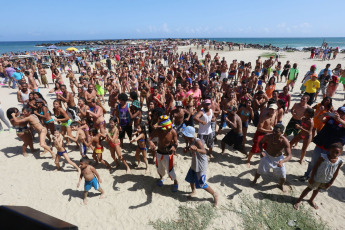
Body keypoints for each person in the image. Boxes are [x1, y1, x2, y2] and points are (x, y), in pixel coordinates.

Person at [300, 106, 345, 181]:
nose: (340, 114)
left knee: (326, 165)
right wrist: (325, 114)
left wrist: (339, 119)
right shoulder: (331, 118)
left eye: (342, 113)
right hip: (321, 144)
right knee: (313, 161)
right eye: (339, 112)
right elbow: (320, 119)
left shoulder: (342, 122)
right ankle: (307, 175)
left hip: (332, 150)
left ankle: (320, 180)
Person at [294, 143, 343, 210]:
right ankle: (299, 200)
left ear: (340, 153)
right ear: (329, 150)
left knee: (318, 189)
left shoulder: (339, 161)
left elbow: (336, 172)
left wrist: (331, 182)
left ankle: (311, 199)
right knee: (309, 188)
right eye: (333, 151)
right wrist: (311, 177)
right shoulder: (323, 157)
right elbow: (315, 167)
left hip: (326, 179)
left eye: (337, 152)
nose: (334, 154)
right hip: (316, 178)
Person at [182, 126, 219, 206]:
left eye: (184, 134)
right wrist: (187, 148)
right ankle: (193, 191)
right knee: (191, 178)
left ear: (188, 135)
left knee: (201, 183)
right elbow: (191, 147)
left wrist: (197, 150)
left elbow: (204, 151)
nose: (182, 135)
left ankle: (214, 194)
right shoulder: (190, 141)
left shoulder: (197, 141)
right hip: (195, 163)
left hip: (201, 164)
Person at [252, 124, 292, 192]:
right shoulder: (268, 136)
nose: (274, 133)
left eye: (276, 132)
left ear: (282, 132)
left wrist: (282, 161)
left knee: (283, 176)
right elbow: (260, 143)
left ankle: (281, 184)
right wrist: (261, 151)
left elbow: (289, 155)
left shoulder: (284, 141)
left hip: (278, 159)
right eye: (273, 131)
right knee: (259, 170)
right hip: (267, 156)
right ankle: (254, 180)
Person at [148, 115, 179, 192]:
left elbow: (176, 143)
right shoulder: (158, 131)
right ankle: (161, 178)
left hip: (168, 154)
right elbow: (149, 138)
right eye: (166, 128)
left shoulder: (173, 132)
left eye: (168, 128)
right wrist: (151, 143)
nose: (167, 129)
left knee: (170, 170)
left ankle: (175, 182)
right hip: (159, 152)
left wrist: (174, 147)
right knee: (159, 168)